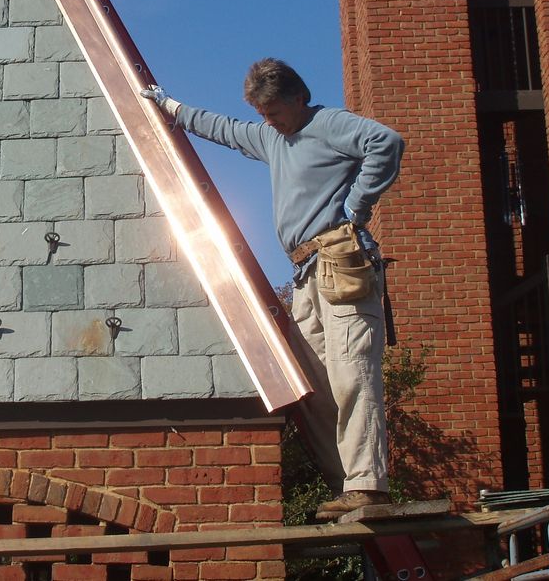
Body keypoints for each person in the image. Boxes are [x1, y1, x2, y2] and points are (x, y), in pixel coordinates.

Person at [141, 58, 404, 520]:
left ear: (298, 98)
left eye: (274, 111)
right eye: (262, 113)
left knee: (351, 373)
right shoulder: (272, 137)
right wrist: (171, 106)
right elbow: (224, 129)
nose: (269, 121)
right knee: (316, 384)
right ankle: (344, 483)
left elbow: (386, 141)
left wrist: (357, 207)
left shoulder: (328, 123)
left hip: (340, 261)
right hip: (306, 273)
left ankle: (369, 486)